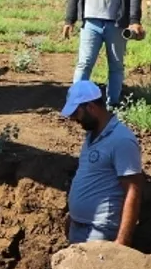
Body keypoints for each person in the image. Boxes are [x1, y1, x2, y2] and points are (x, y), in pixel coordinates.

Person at [60, 80, 145, 246]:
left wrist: (122, 240)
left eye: (76, 113)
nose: (74, 119)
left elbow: (133, 189)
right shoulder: (92, 136)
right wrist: (73, 216)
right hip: (79, 227)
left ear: (91, 107)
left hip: (100, 231)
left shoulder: (122, 140)